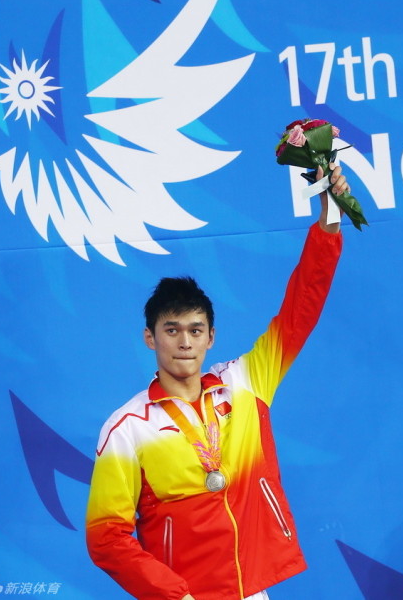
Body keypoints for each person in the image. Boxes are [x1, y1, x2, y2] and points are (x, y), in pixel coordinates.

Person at [86, 164, 349, 600]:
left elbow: (301, 307)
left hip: (252, 590)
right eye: (171, 330)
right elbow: (106, 536)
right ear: (150, 337)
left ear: (211, 336)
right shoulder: (127, 429)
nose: (184, 342)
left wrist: (329, 218)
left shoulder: (246, 381)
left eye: (195, 330)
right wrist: (175, 595)